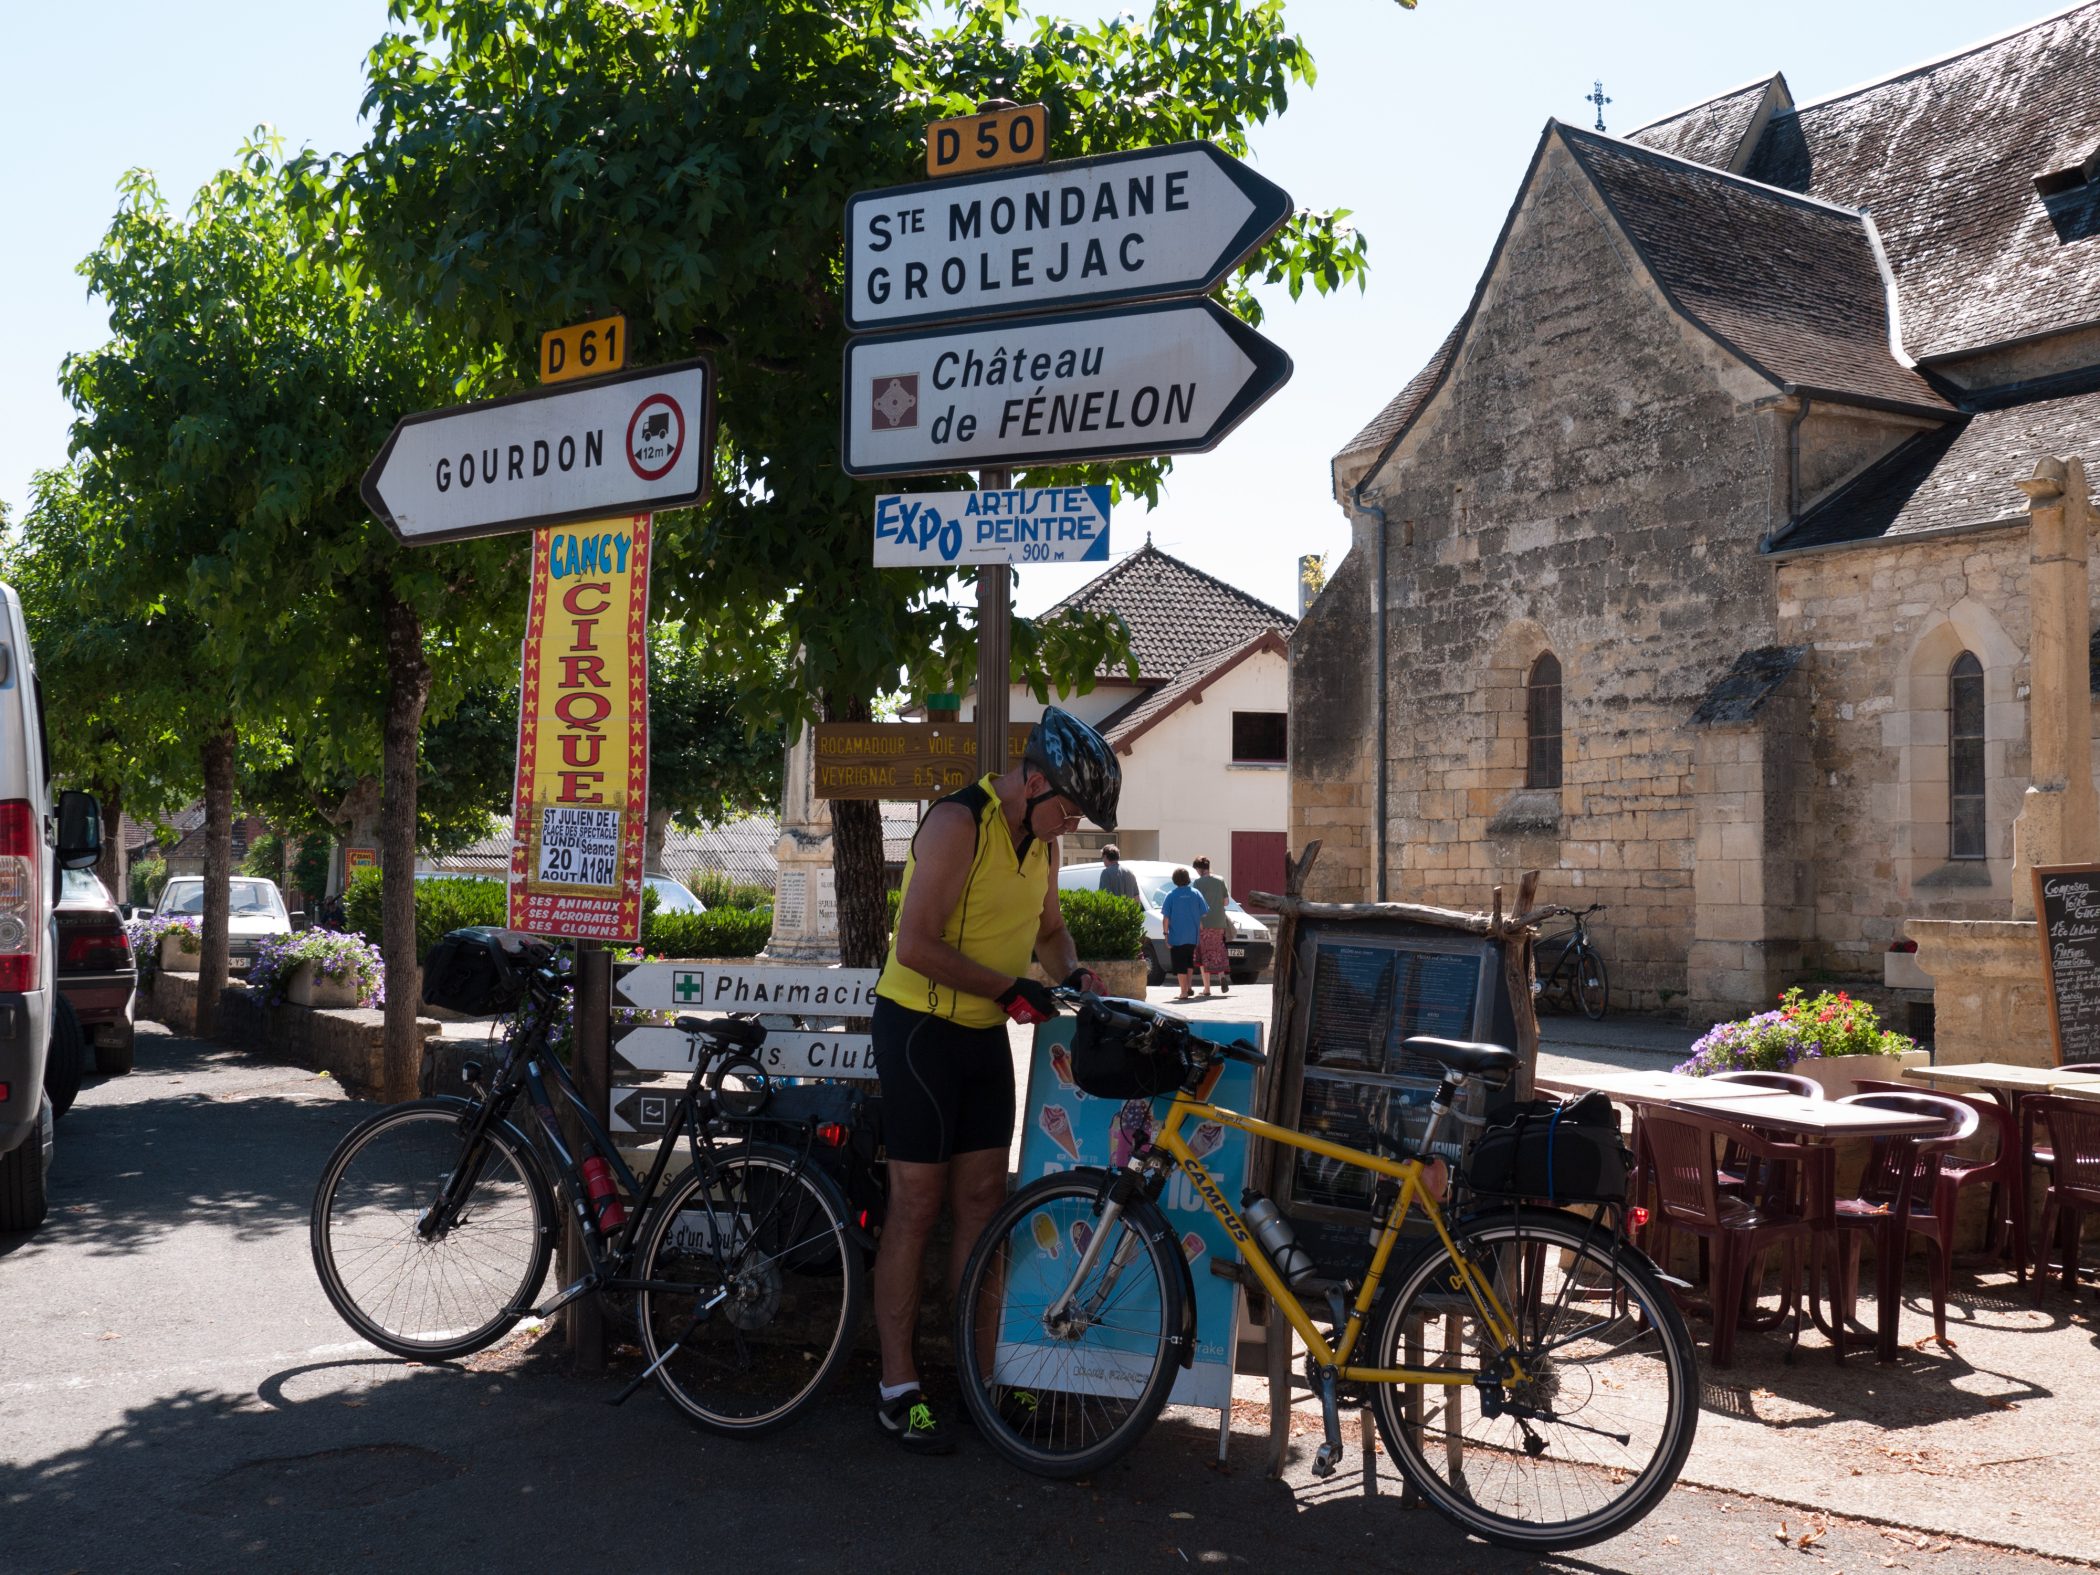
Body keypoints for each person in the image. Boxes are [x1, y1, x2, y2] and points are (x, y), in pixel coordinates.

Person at [869, 706, 1121, 1454]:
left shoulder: (1036, 841)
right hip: (918, 1029)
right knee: (916, 1206)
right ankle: (899, 1385)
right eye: (1068, 809)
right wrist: (1010, 989)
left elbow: (1048, 929)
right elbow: (913, 944)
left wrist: (1071, 971)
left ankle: (981, 1377)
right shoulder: (959, 823)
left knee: (984, 1202)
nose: (1070, 826)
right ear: (1034, 780)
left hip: (980, 1035)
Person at [1160, 865, 1206, 1002]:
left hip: (1177, 936)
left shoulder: (1171, 895)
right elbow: (1203, 913)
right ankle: (1189, 986)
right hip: (1192, 935)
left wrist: (1165, 935)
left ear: (1174, 880)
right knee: (1188, 962)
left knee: (1180, 964)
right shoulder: (1196, 893)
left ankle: (1183, 992)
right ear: (1187, 879)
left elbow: (1166, 918)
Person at [1191, 855, 1232, 996]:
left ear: (1198, 869)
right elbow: (1226, 902)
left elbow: (1195, 905)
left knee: (1203, 955)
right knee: (1217, 951)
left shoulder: (1197, 883)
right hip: (1219, 922)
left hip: (1204, 923)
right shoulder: (1220, 880)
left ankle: (1207, 988)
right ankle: (1221, 977)